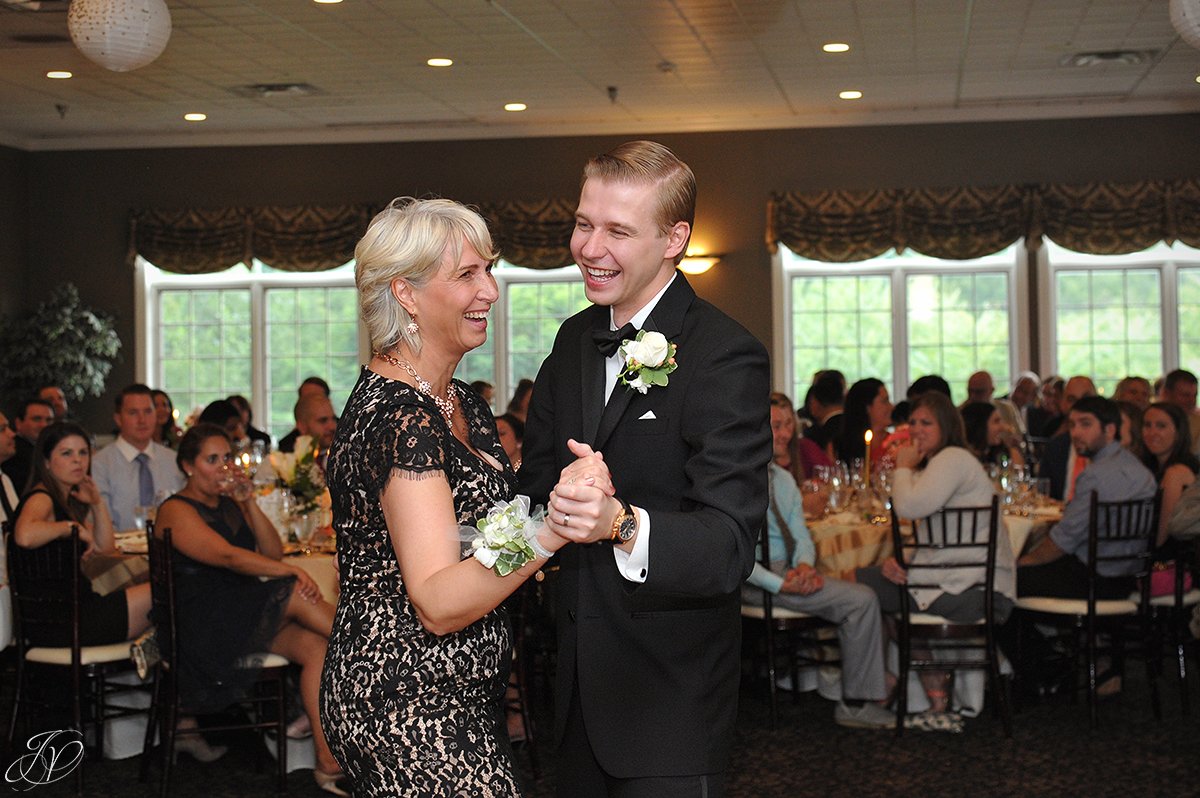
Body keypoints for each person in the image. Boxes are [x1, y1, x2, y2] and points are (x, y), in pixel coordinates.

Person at [519, 140, 771, 796]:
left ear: (673, 239)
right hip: (575, 701)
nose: (589, 247)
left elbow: (728, 547)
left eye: (617, 231)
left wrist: (620, 523)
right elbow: (531, 494)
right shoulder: (573, 340)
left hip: (671, 705)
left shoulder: (724, 354)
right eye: (582, 223)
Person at [320, 197, 563, 797]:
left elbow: (485, 536)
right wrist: (554, 530)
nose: (491, 289)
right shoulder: (401, 418)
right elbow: (436, 600)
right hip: (403, 698)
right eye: (467, 275)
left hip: (460, 690)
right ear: (405, 294)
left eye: (489, 269)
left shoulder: (460, 403)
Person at [154, 424, 341, 786]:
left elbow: (271, 550)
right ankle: (369, 647)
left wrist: (247, 502)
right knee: (290, 588)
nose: (224, 467)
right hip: (203, 624)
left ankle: (327, 760)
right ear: (188, 466)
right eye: (213, 459)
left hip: (241, 613)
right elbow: (226, 557)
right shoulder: (175, 509)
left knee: (316, 647)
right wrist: (288, 571)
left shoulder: (229, 506)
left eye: (227, 457)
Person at [856, 392, 1016, 725]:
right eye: (912, 422)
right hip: (958, 582)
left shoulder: (952, 459)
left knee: (856, 588)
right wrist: (902, 561)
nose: (916, 430)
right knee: (874, 588)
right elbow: (938, 539)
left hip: (970, 591)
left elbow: (907, 507)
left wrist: (901, 466)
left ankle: (882, 688)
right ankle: (926, 689)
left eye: (926, 422)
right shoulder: (944, 463)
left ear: (946, 425)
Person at [744, 452, 891, 729]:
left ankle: (858, 700)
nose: (784, 433)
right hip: (750, 580)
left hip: (788, 570)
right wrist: (779, 583)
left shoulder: (782, 478)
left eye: (788, 425)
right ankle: (856, 705)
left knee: (862, 597)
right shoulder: (737, 480)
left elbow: (801, 535)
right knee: (861, 600)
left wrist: (804, 567)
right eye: (776, 425)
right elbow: (733, 554)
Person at [11, 421, 153, 646]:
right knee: (170, 592)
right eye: (66, 453)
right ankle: (161, 668)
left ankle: (153, 663)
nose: (78, 460)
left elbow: (105, 548)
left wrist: (97, 503)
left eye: (83, 453)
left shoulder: (63, 501)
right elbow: (24, 535)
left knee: (169, 597)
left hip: (71, 615)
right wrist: (71, 528)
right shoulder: (42, 497)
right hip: (63, 621)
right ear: (46, 462)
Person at [91, 385, 185, 531]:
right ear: (118, 419)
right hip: (118, 550)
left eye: (148, 412)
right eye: (133, 413)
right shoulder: (100, 464)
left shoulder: (174, 461)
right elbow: (100, 522)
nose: (142, 420)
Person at [1140, 402, 1198, 552]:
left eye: (1161, 426)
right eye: (1147, 425)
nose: (1152, 433)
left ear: (1178, 432)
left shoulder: (1176, 472)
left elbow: (1164, 533)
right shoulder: (1151, 467)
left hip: (1171, 563)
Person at [1037, 375, 1096, 500]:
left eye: (1087, 399)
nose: (1080, 405)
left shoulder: (1108, 446)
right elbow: (1042, 495)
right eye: (1072, 399)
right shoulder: (1054, 448)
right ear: (1063, 404)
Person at [770, 391, 831, 487]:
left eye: (789, 423)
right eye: (776, 426)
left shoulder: (806, 448)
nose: (785, 434)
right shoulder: (752, 466)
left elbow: (833, 477)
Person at [831, 378, 893, 466]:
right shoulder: (840, 445)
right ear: (867, 407)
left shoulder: (896, 443)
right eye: (884, 401)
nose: (891, 406)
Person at [2, 397, 55, 494]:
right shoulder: (12, 453)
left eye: (49, 420)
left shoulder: (43, 451)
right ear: (18, 423)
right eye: (37, 419)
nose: (44, 425)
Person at [961, 401, 1025, 470]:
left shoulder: (1005, 453)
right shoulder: (961, 458)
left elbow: (1020, 474)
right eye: (996, 421)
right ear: (980, 425)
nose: (1003, 427)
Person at [278, 377, 332, 453]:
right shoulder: (287, 446)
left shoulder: (345, 435)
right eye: (307, 398)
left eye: (317, 397)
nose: (331, 426)